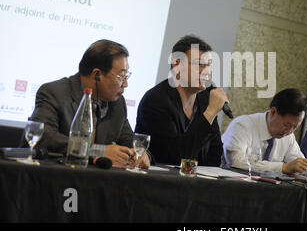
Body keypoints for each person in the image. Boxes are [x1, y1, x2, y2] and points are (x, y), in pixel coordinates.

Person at [31, 39, 149, 168]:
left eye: (127, 76)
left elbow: (129, 141)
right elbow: (44, 137)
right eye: (121, 77)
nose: (125, 84)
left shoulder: (117, 103)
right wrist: (97, 150)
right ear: (97, 74)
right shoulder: (54, 92)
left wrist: (140, 154)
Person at [135, 35, 228, 166]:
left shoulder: (205, 100)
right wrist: (210, 113)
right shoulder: (155, 100)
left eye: (208, 65)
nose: (206, 72)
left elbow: (215, 152)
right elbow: (175, 157)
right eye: (199, 65)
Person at [221, 88, 307, 178]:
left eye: (295, 127)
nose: (289, 132)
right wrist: (283, 167)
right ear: (273, 112)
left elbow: (299, 166)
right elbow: (236, 162)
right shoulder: (242, 125)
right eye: (287, 125)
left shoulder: (288, 137)